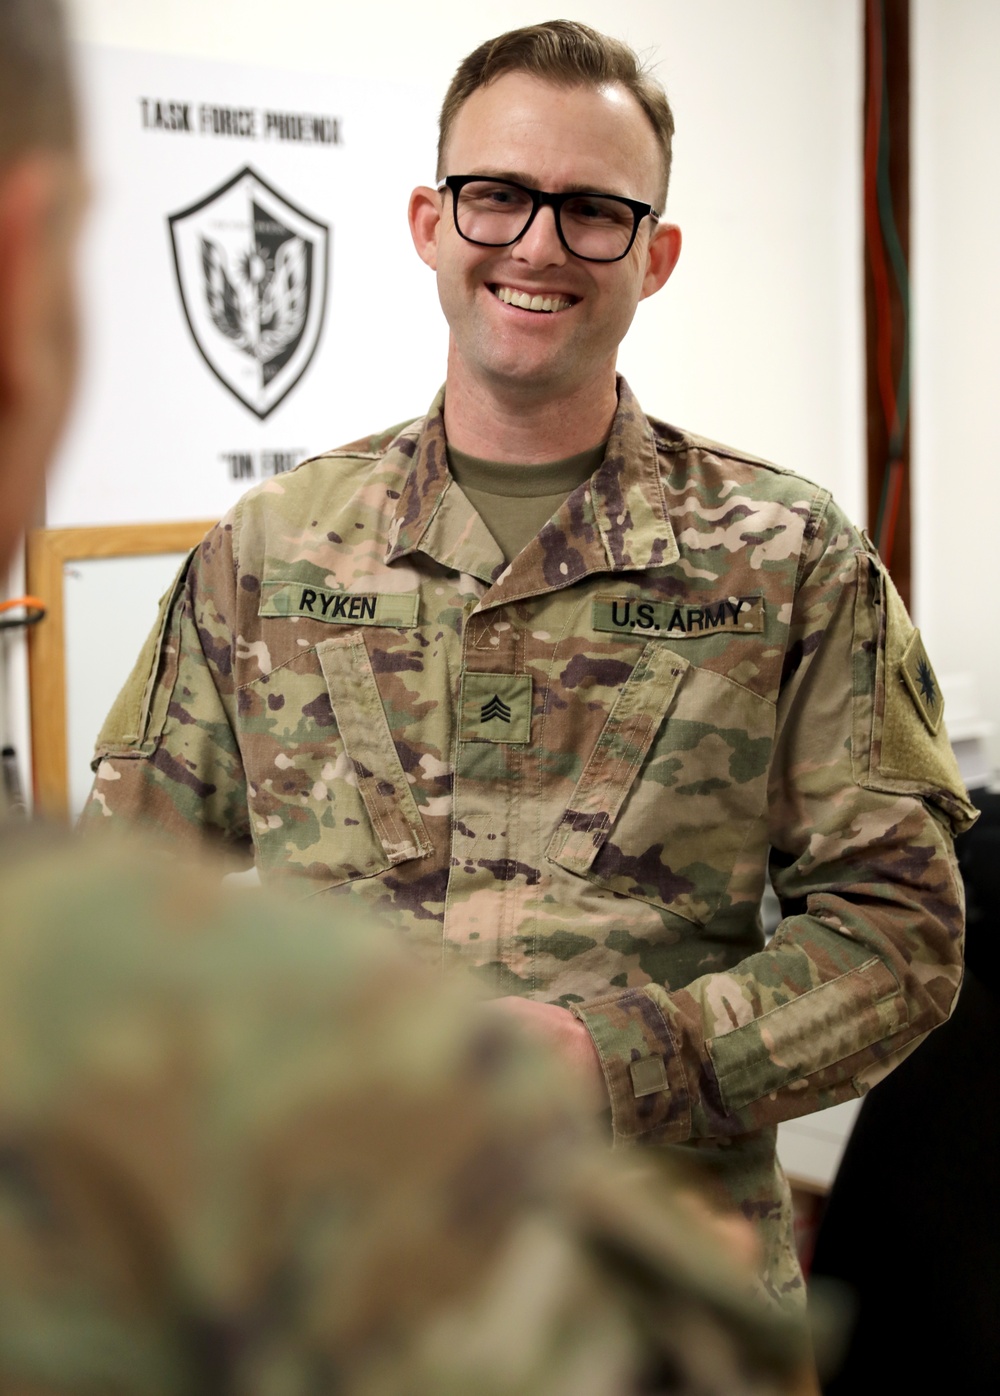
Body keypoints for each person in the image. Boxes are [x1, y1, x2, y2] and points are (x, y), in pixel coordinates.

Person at [83, 19, 977, 1311]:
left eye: (594, 210)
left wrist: (614, 1061)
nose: (539, 243)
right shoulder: (270, 552)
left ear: (655, 255)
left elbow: (902, 937)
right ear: (429, 221)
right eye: (497, 196)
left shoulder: (786, 556)